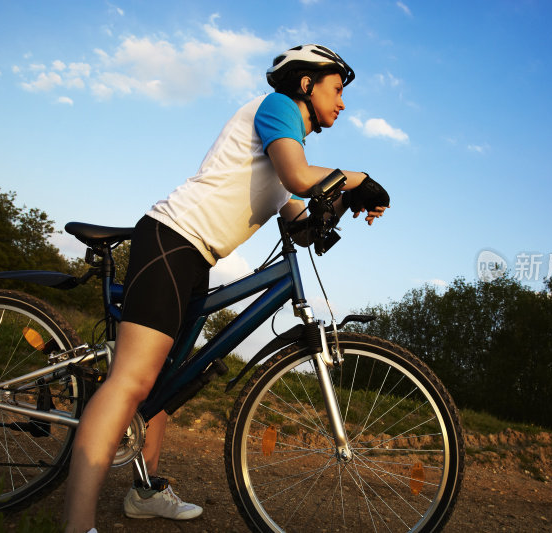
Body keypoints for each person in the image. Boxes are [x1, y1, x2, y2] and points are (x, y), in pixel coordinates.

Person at [63, 43, 391, 533]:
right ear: (306, 84)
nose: (342, 103)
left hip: (197, 258)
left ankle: (145, 490)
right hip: (173, 240)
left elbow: (301, 226)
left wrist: (343, 202)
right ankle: (75, 525)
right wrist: (359, 179)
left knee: (163, 387)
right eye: (337, 89)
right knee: (131, 380)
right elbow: (302, 178)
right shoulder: (277, 108)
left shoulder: (287, 148)